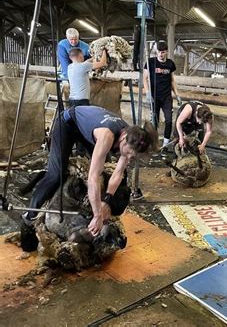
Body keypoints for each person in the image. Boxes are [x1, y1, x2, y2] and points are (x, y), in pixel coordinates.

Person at [20, 105, 157, 251]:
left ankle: (91, 217)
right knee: (56, 175)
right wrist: (98, 215)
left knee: (108, 175)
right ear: (123, 139)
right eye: (128, 153)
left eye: (133, 155)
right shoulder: (107, 137)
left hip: (87, 130)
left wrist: (107, 200)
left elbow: (118, 172)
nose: (129, 157)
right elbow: (93, 178)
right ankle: (29, 217)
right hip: (68, 124)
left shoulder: (132, 135)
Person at [144, 40, 180, 147]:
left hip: (166, 97)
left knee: (169, 120)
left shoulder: (170, 64)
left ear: (166, 52)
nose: (161, 54)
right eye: (159, 51)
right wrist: (147, 93)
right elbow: (145, 78)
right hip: (154, 96)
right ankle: (154, 144)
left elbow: (172, 80)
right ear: (156, 51)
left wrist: (177, 94)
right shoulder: (150, 62)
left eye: (163, 52)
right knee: (155, 121)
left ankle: (165, 144)